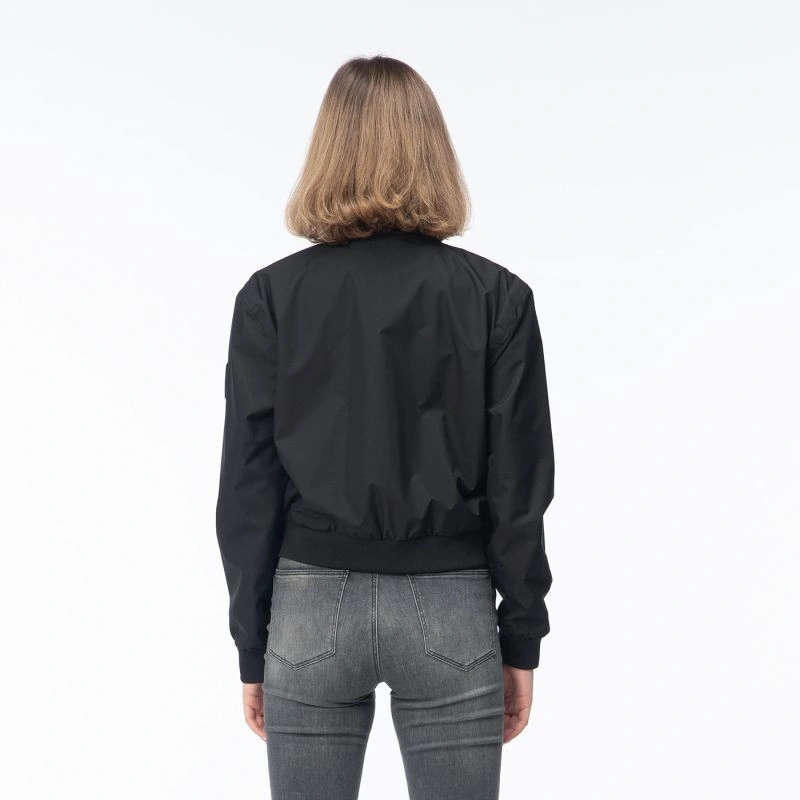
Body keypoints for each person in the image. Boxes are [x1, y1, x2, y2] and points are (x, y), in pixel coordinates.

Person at [215, 54, 555, 800]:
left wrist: (253, 643)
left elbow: (247, 489)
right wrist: (521, 635)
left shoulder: (271, 297)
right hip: (452, 609)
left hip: (310, 613)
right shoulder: (497, 297)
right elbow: (520, 487)